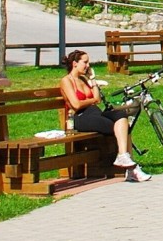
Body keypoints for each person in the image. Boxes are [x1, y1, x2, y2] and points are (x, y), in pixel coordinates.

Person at [60, 49, 144, 181]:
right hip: (80, 118)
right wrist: (92, 101)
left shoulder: (84, 78)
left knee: (121, 116)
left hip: (94, 112)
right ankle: (131, 168)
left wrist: (92, 79)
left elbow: (97, 98)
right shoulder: (66, 81)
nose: (88, 65)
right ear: (75, 63)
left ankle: (123, 156)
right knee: (121, 128)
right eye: (85, 62)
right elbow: (76, 105)